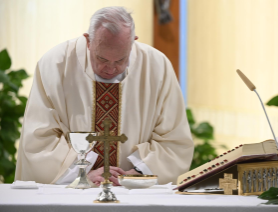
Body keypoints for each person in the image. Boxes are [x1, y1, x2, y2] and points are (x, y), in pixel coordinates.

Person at [15, 7, 194, 186]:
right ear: (88, 41)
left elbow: (174, 140)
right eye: (102, 59)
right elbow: (39, 139)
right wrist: (82, 174)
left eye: (120, 60)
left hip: (133, 192)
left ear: (133, 42)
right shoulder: (55, 64)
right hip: (73, 191)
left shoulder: (157, 66)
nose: (110, 68)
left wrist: (138, 173)